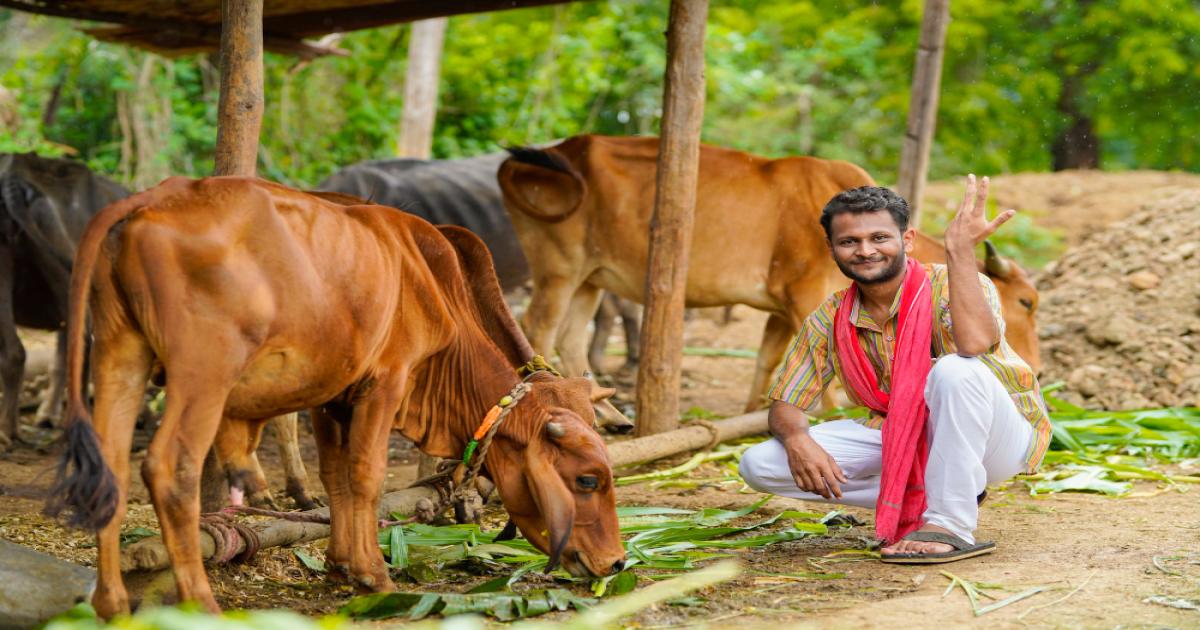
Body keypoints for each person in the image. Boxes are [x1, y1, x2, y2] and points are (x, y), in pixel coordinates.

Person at [738, 175, 1050, 563]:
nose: (865, 250)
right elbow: (786, 403)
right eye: (849, 242)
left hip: (998, 438)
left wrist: (959, 253)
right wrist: (799, 440)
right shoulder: (831, 316)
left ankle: (949, 523)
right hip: (899, 431)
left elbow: (974, 346)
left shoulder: (956, 282)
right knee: (759, 465)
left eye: (879, 238)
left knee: (955, 370)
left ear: (907, 240)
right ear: (832, 249)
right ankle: (947, 488)